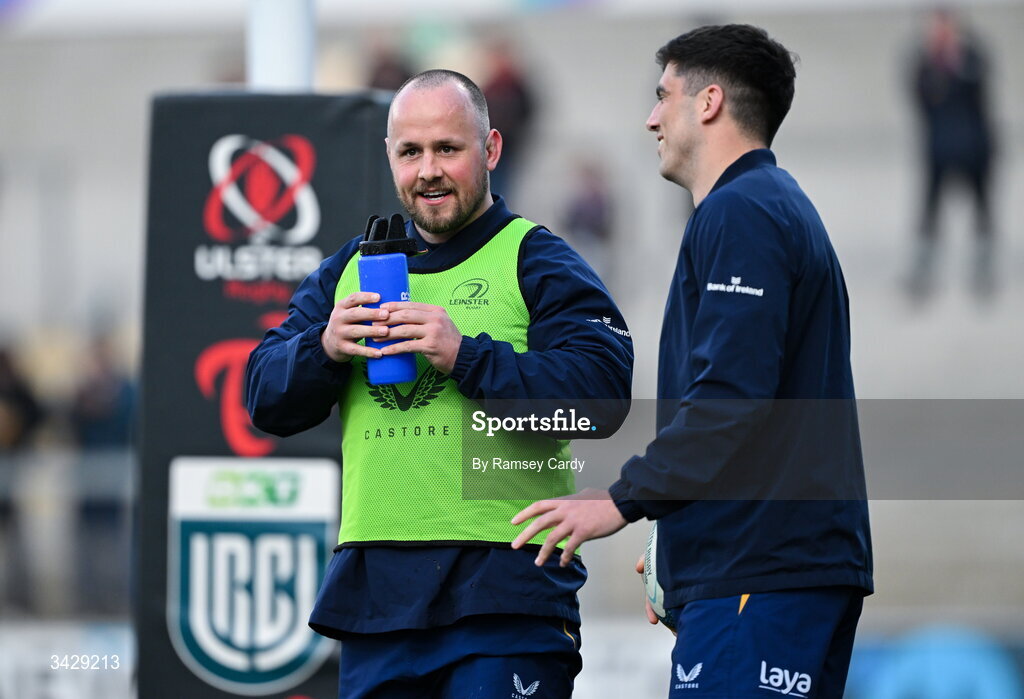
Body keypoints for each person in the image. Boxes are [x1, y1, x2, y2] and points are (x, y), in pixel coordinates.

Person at [245, 69, 632, 698]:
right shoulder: (350, 271)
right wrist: (324, 349)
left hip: (505, 592)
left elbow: (601, 400)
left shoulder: (534, 256)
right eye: (410, 152)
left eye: (448, 149)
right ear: (391, 158)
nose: (429, 170)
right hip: (377, 601)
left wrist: (465, 356)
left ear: (491, 150)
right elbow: (262, 398)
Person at [511, 25, 873, 698]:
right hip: (768, 564)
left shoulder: (744, 213)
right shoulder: (768, 206)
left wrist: (620, 500)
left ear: (708, 102)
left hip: (760, 571)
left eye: (662, 96)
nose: (651, 117)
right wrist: (680, 538)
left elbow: (731, 398)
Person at [907, 8, 997, 300]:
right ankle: (924, 272)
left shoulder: (971, 57)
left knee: (983, 210)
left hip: (975, 147)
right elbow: (920, 98)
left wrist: (956, 62)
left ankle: (983, 271)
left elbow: (981, 88)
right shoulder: (926, 63)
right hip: (939, 149)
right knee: (930, 212)